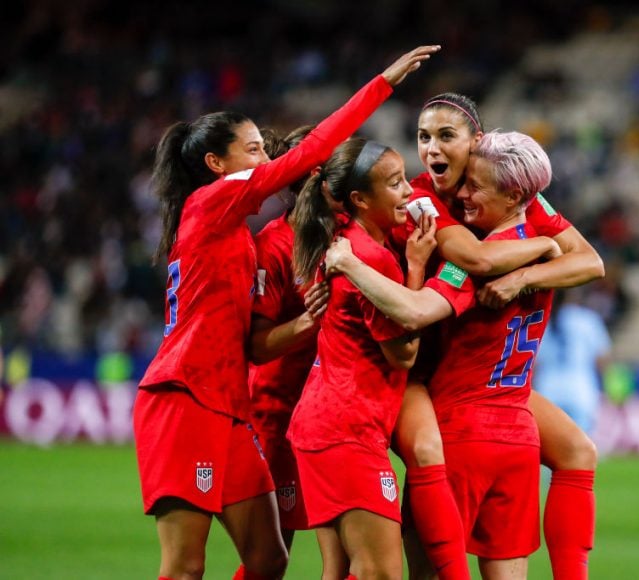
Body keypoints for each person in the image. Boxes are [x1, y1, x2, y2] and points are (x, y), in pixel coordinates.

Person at [132, 45, 439, 580]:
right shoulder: (210, 204)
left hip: (229, 403)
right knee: (184, 566)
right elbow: (309, 151)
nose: (266, 161)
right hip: (186, 396)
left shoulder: (239, 237)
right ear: (216, 165)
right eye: (253, 150)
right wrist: (382, 83)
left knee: (270, 558)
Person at [326, 130, 562, 579]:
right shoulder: (545, 249)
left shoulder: (478, 260)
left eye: (476, 186)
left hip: (462, 437)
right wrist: (550, 244)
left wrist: (350, 264)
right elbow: (582, 257)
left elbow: (413, 313)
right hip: (519, 440)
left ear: (513, 195)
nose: (463, 194)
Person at [395, 93, 604, 580]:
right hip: (415, 367)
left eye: (447, 136)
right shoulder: (424, 194)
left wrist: (522, 277)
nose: (431, 149)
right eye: (424, 137)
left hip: (459, 384)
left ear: (477, 141)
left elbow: (591, 261)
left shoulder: (511, 189)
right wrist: (544, 249)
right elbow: (480, 261)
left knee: (578, 452)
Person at [289, 137, 436, 580]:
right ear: (358, 199)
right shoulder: (372, 259)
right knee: (383, 572)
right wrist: (415, 268)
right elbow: (404, 355)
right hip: (348, 429)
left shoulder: (344, 243)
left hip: (319, 426)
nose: (409, 191)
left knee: (339, 570)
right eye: (394, 184)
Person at [246, 125, 325, 552]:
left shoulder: (352, 235)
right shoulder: (274, 246)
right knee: (273, 555)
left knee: (357, 550)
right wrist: (310, 321)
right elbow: (257, 347)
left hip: (337, 414)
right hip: (281, 414)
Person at [533, 288, 612, 437]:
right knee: (581, 451)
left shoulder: (544, 320)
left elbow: (534, 363)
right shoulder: (588, 320)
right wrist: (607, 386)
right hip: (580, 389)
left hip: (548, 390)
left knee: (549, 449)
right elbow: (602, 359)